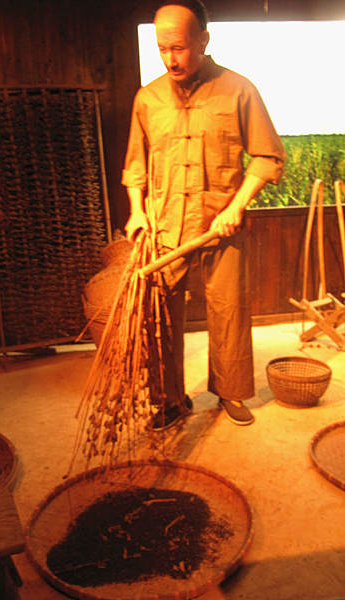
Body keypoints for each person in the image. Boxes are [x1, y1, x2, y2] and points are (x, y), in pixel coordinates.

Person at [121, 0, 285, 427]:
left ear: (203, 40)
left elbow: (267, 157)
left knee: (228, 308)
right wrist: (138, 212)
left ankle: (229, 393)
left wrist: (237, 205)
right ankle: (168, 400)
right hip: (164, 226)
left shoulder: (239, 90)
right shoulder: (148, 99)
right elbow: (135, 166)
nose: (170, 59)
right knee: (160, 319)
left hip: (221, 225)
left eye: (179, 48)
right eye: (162, 49)